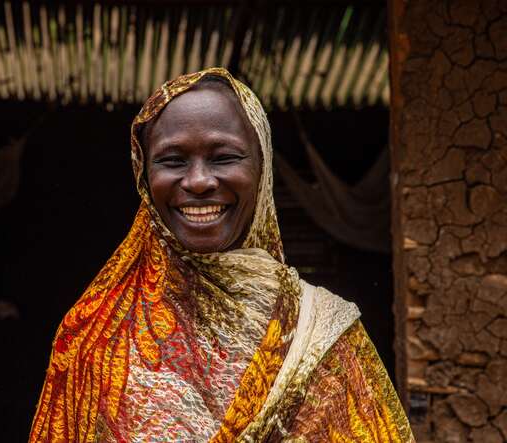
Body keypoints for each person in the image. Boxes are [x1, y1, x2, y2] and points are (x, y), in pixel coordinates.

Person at [28, 67, 414, 442]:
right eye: (173, 160)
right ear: (143, 176)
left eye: (224, 157)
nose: (198, 181)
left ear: (262, 169)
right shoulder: (96, 338)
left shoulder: (320, 334)